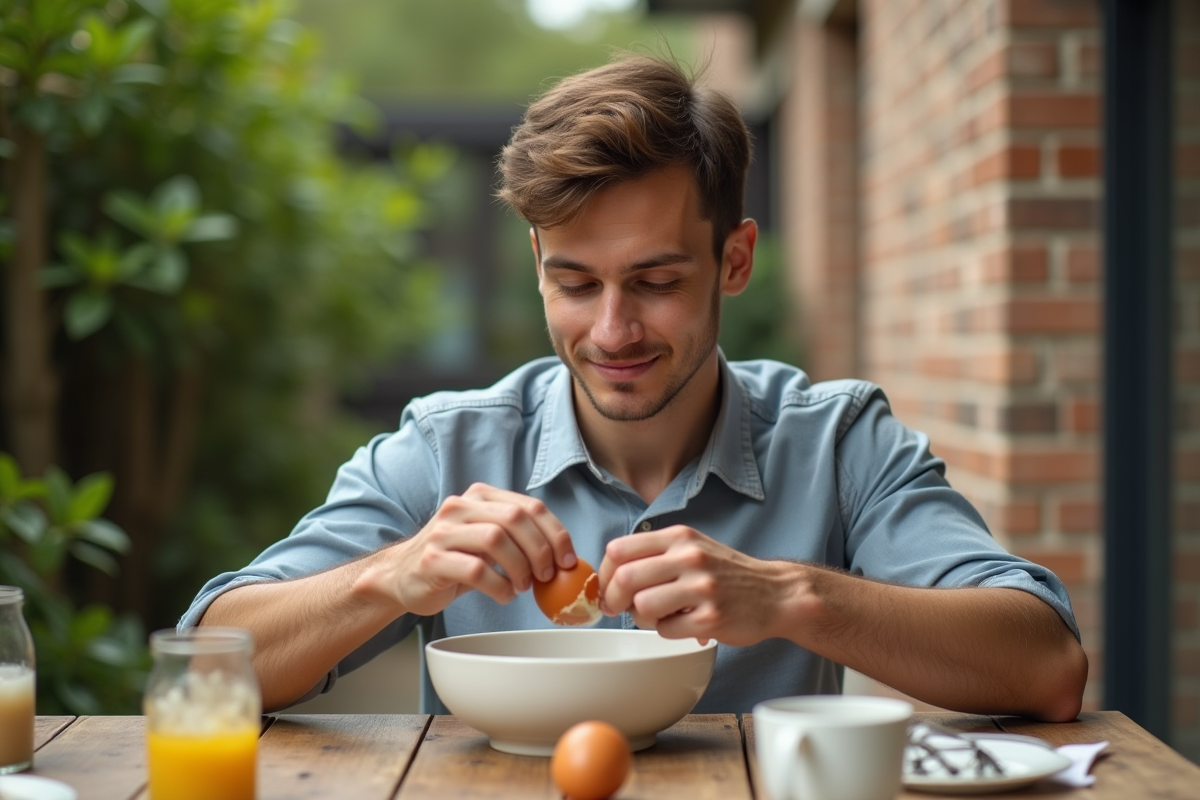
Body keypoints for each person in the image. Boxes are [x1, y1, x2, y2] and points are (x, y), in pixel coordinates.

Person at [182, 54, 1088, 721]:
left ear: (733, 262)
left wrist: (785, 598)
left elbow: (1046, 665)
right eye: (576, 284)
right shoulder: (444, 449)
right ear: (537, 264)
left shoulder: (838, 440)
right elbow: (204, 670)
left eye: (655, 283)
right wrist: (391, 574)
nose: (612, 331)